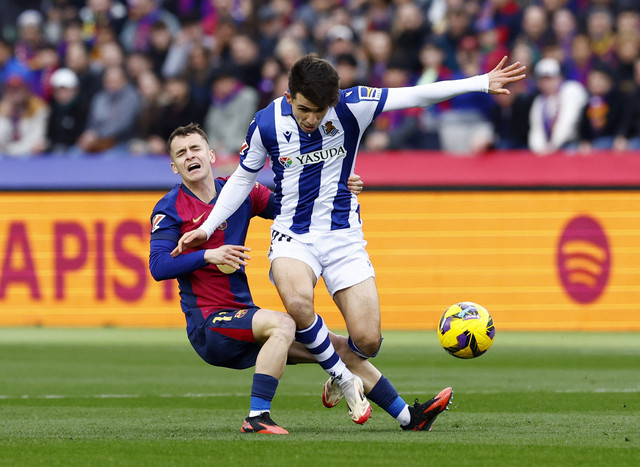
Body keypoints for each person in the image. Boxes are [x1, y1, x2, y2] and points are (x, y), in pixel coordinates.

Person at [172, 53, 524, 425]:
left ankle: (341, 374)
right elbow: (243, 179)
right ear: (289, 96)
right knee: (297, 303)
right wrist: (208, 228)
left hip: (344, 238)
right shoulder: (266, 123)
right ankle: (342, 376)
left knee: (368, 341)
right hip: (293, 235)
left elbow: (416, 95)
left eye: (321, 111)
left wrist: (480, 82)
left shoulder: (353, 106)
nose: (312, 119)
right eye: (305, 109)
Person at [150, 123, 453, 434]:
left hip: (245, 316)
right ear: (174, 166)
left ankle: (409, 418)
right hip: (209, 324)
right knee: (284, 323)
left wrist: (336, 187)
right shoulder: (170, 208)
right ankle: (257, 417)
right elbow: (158, 266)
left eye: (195, 148)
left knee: (336, 348)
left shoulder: (240, 192)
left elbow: (294, 207)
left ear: (211, 155)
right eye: (181, 153)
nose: (190, 156)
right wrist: (207, 255)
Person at [528, 57, 587, 155]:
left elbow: (567, 123)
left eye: (550, 79)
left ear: (559, 77)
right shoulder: (539, 101)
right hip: (550, 147)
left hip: (573, 143)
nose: (546, 84)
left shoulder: (571, 91)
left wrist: (552, 147)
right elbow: (536, 129)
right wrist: (539, 150)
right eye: (543, 80)